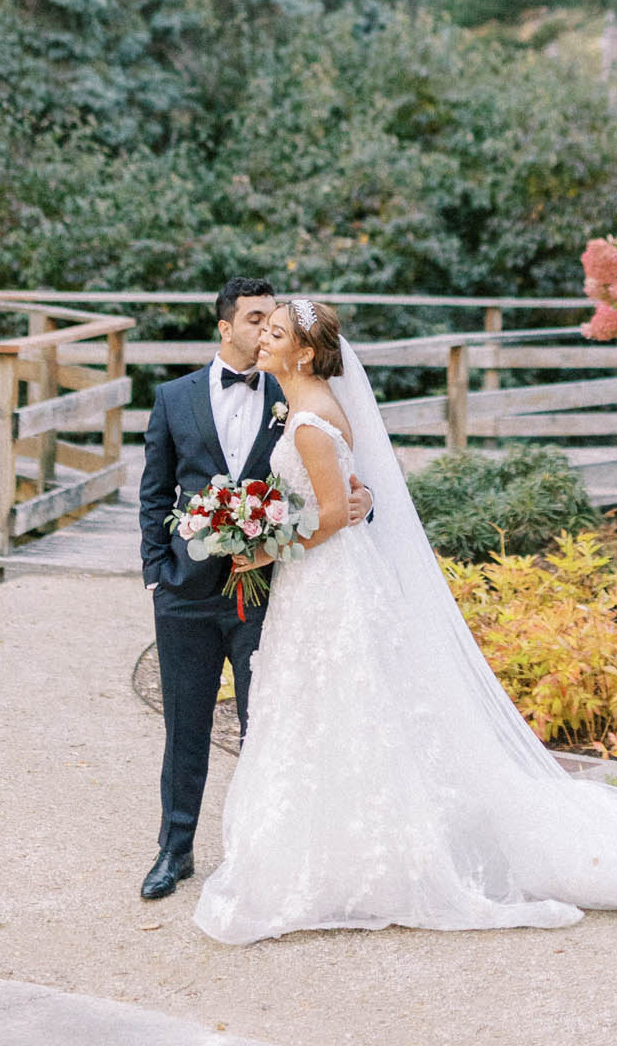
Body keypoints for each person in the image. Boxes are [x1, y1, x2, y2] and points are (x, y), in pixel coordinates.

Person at [194, 298, 617, 943]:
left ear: (304, 354)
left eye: (276, 333)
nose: (264, 340)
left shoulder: (308, 419)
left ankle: (358, 859)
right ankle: (347, 850)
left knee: (338, 703)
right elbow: (341, 496)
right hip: (327, 579)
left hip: (326, 580)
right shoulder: (312, 404)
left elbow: (331, 513)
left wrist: (264, 547)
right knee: (339, 706)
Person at [137, 276, 372, 901]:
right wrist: (157, 572)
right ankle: (174, 850)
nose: (265, 330)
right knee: (184, 726)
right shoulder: (173, 397)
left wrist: (366, 500)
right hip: (186, 591)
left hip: (269, 591)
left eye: (273, 322)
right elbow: (155, 492)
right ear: (225, 327)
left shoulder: (295, 393)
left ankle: (256, 853)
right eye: (254, 320)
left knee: (264, 725)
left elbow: (343, 475)